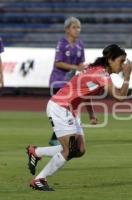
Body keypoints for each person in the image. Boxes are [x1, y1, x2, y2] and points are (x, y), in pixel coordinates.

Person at [26, 44, 132, 191]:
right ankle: (39, 179)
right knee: (70, 149)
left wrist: (91, 114)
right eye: (121, 61)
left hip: (70, 110)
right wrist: (127, 76)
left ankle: (36, 152)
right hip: (60, 107)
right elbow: (120, 97)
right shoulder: (101, 74)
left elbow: (84, 92)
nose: (123, 65)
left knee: (80, 150)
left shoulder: (95, 70)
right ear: (110, 60)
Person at [48, 16, 97, 146]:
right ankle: (58, 139)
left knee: (69, 109)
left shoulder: (80, 44)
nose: (77, 30)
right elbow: (57, 63)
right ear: (67, 30)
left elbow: (81, 64)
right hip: (58, 81)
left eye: (79, 27)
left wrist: (86, 69)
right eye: (74, 27)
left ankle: (57, 138)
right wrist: (76, 67)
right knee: (66, 109)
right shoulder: (62, 43)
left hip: (70, 83)